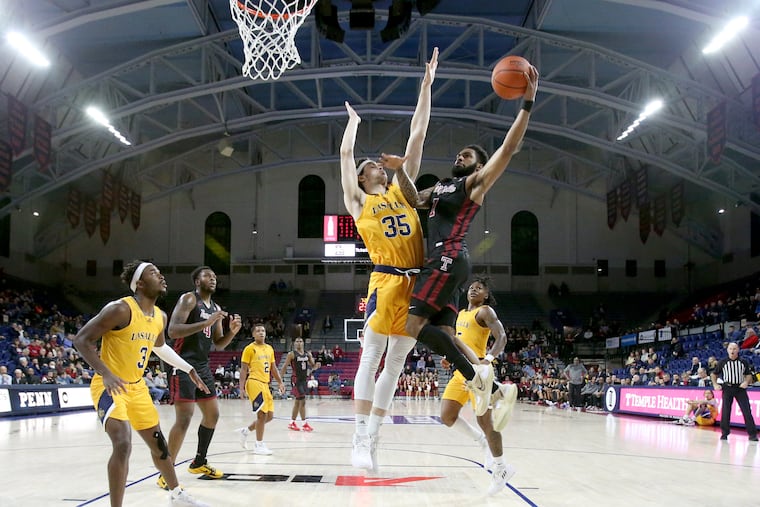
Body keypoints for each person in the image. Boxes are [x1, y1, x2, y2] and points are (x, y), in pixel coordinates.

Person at [398, 61, 538, 435]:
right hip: (444, 264)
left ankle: (480, 381)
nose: (460, 157)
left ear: (477, 164)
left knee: (409, 326)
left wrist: (526, 102)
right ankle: (489, 386)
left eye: (468, 155)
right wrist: (400, 170)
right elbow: (413, 198)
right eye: (459, 155)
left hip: (446, 258)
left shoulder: (472, 185)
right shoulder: (441, 187)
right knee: (444, 335)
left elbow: (507, 150)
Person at [339, 47, 439, 471]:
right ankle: (359, 435)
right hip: (385, 281)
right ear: (364, 177)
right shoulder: (359, 203)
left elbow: (417, 135)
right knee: (371, 356)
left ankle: (373, 438)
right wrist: (353, 126)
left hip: (416, 284)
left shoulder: (402, 190)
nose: (379, 165)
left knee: (396, 365)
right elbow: (345, 158)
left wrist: (426, 86)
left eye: (379, 166)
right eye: (372, 166)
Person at [72, 260, 210, 507]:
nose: (161, 276)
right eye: (154, 273)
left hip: (137, 388)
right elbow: (81, 339)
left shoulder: (160, 316)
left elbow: (160, 348)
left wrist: (187, 368)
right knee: (123, 443)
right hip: (110, 386)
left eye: (160, 271)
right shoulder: (121, 309)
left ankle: (176, 493)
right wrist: (105, 373)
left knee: (159, 444)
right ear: (140, 283)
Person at [160, 266, 243, 489]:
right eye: (208, 276)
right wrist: (206, 323)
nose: (213, 279)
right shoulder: (189, 299)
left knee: (212, 415)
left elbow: (218, 343)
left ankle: (199, 461)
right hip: (181, 363)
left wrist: (232, 332)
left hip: (202, 365)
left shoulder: (215, 308)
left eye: (215, 276)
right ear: (197, 281)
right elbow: (173, 331)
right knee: (184, 418)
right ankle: (166, 472)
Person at [440, 277, 515, 495]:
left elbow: (501, 337)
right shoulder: (461, 314)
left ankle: (501, 468)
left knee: (487, 422)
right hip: (460, 371)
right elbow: (461, 343)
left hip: (479, 373)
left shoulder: (485, 312)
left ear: (486, 295)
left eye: (479, 288)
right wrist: (449, 357)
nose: (474, 290)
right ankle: (481, 441)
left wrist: (489, 359)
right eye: (472, 287)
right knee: (447, 416)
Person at [236, 324, 286, 454]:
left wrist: (280, 382)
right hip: (254, 382)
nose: (261, 332)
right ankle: (258, 445)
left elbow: (273, 368)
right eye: (257, 331)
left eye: (263, 330)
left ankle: (246, 431)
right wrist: (241, 388)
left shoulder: (269, 349)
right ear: (253, 334)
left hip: (265, 384)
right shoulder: (249, 349)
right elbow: (243, 369)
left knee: (269, 416)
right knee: (261, 415)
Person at [710, 342, 758, 441]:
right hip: (727, 387)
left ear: (738, 350)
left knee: (747, 411)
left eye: (734, 348)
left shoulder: (743, 361)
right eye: (731, 348)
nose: (732, 350)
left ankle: (752, 435)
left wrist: (746, 382)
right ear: (727, 350)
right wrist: (715, 384)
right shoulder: (722, 362)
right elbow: (714, 374)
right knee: (726, 411)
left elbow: (748, 375)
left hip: (740, 388)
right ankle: (724, 433)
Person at [279, 336, 316, 431]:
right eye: (297, 341)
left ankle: (292, 423)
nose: (299, 342)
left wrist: (312, 358)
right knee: (302, 401)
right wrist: (280, 381)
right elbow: (284, 367)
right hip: (296, 380)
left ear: (303, 343)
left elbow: (313, 365)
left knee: (297, 402)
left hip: (304, 380)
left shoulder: (307, 354)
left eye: (300, 341)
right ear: (294, 343)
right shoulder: (291, 354)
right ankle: (304, 424)